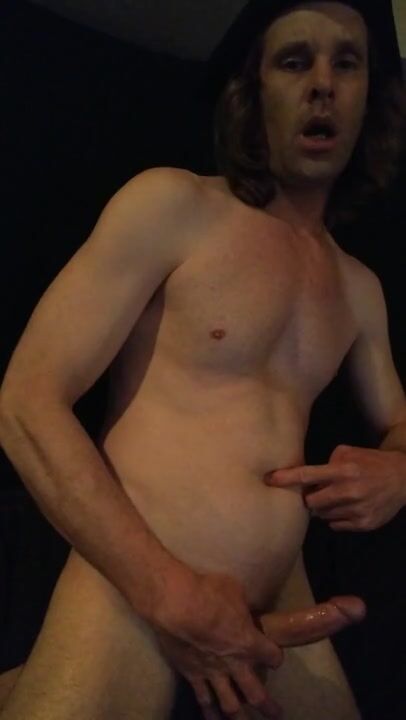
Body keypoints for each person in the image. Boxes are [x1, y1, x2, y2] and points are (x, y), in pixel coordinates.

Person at [0, 1, 405, 718]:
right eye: (294, 61)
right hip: (136, 586)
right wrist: (166, 592)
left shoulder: (359, 289)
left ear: (369, 97)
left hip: (282, 599)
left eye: (347, 63)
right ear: (254, 92)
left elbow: (400, 423)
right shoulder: (172, 205)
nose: (322, 83)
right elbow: (26, 401)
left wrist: (400, 470)